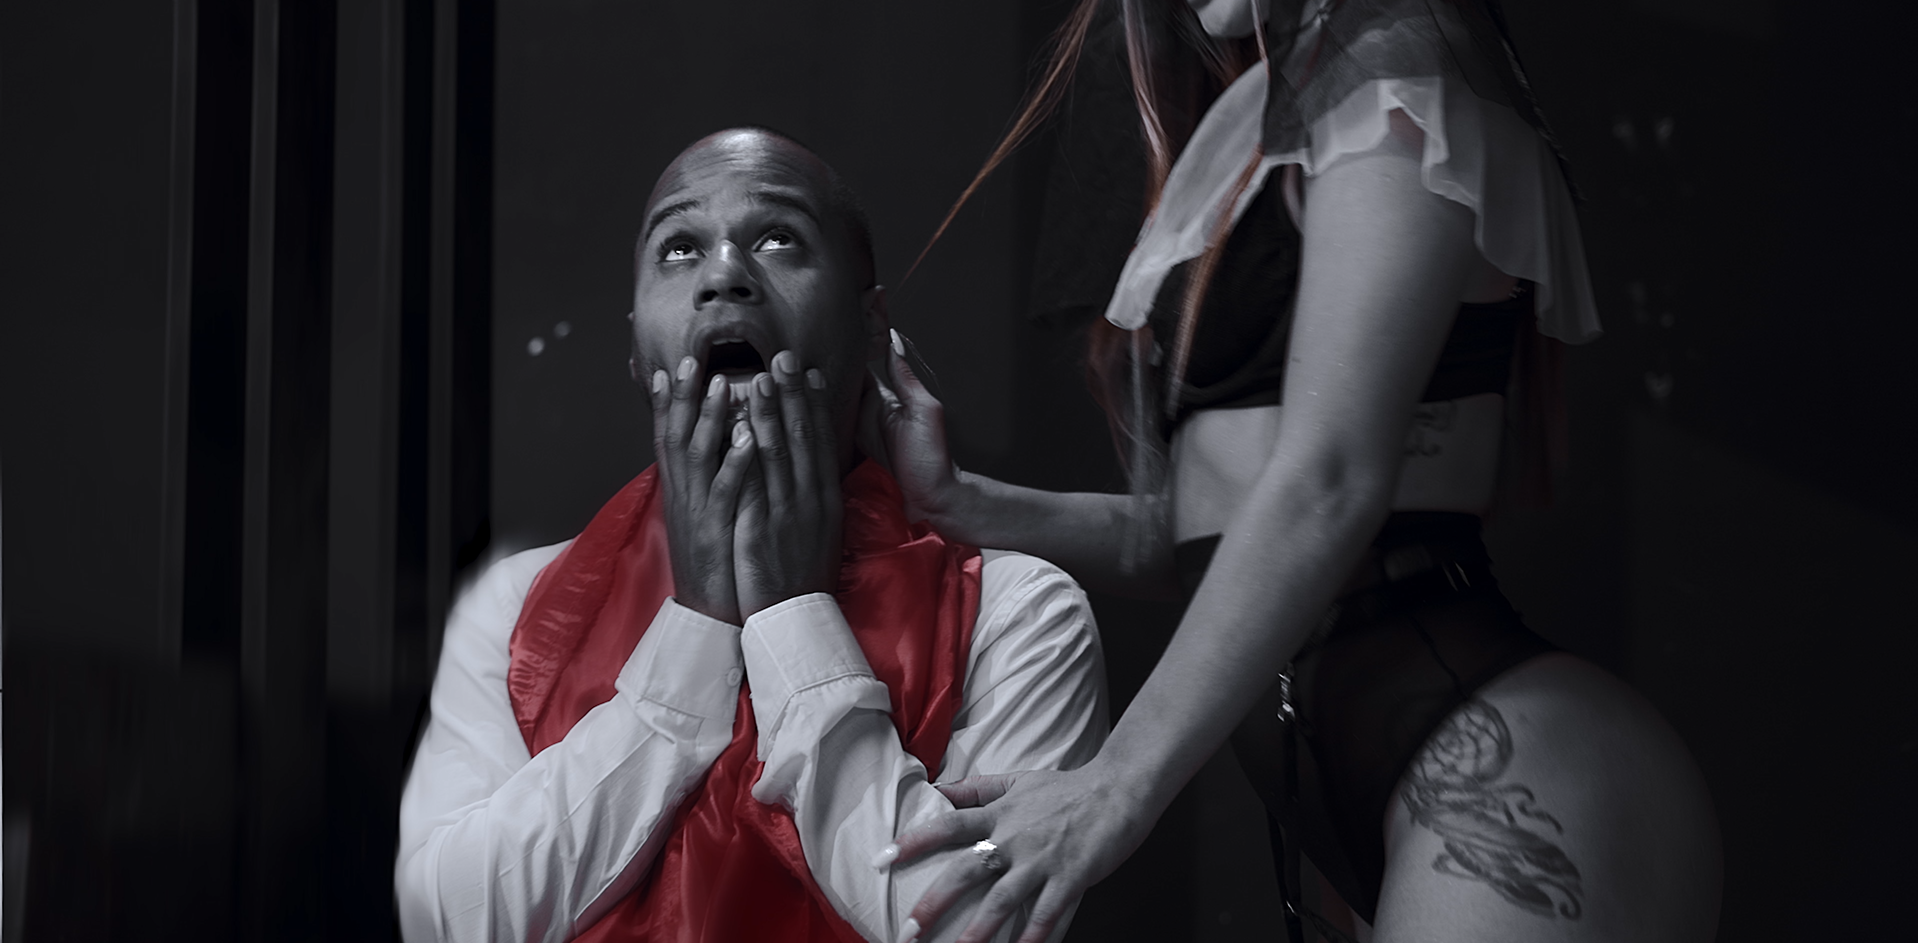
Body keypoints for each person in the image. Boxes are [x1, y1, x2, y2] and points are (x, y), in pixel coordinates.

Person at [871, 1, 1721, 941]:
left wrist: (1114, 784)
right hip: (1364, 797)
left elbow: (1330, 478)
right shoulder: (1263, 109)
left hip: (1504, 759)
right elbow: (1210, 535)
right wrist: (959, 502)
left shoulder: (1405, 58)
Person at [394, 127, 1108, 943]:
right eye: (679, 247)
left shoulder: (1020, 612)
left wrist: (793, 619)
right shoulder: (517, 608)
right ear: (637, 349)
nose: (724, 274)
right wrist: (696, 629)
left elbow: (977, 925)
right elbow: (450, 919)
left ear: (872, 326)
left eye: (777, 238)